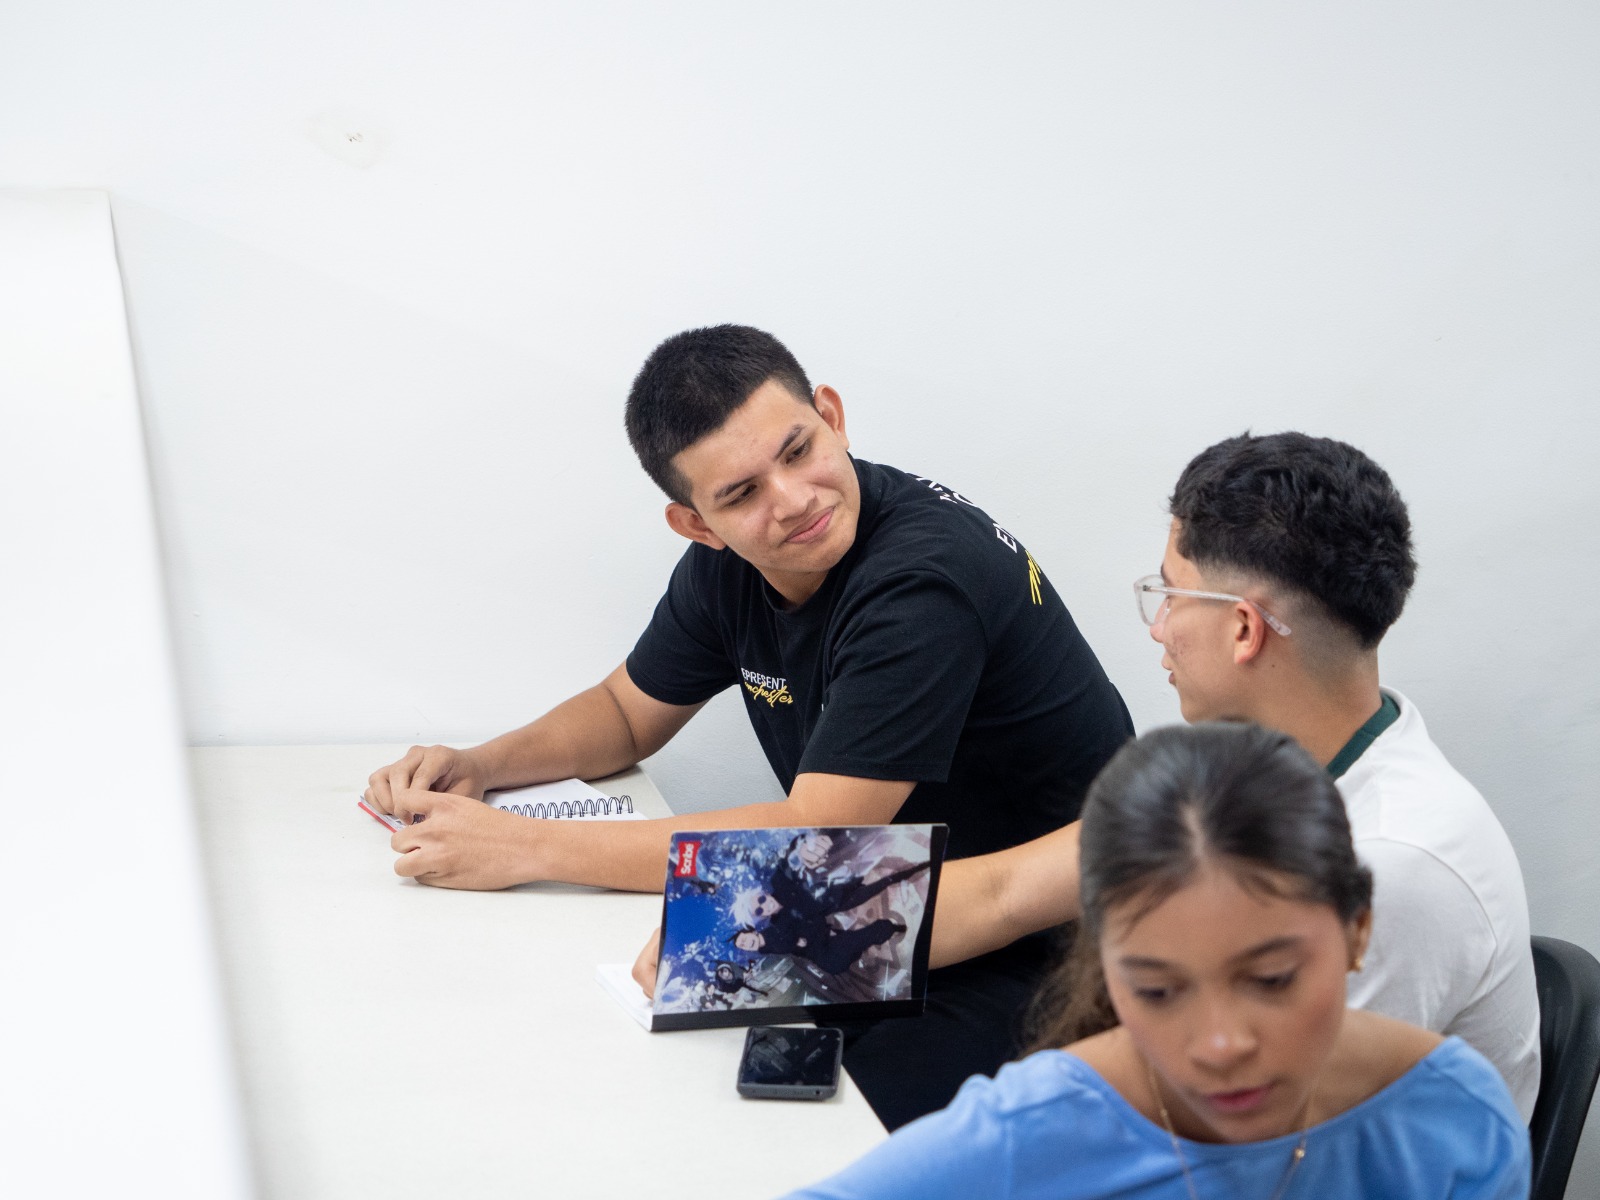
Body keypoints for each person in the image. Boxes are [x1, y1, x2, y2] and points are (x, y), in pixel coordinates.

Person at [362, 324, 1134, 1127]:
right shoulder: (729, 566)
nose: (792, 499)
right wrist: (485, 767)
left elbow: (812, 831)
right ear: (696, 523)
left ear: (831, 414)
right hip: (878, 911)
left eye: (798, 451)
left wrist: (526, 847)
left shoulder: (920, 584)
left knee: (795, 1134)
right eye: (740, 494)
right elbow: (626, 714)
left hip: (1033, 948)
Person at [889, 431, 1542, 1117]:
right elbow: (1005, 892)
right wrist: (775, 922)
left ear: (1242, 630)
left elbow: (1238, 1147)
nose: (1158, 628)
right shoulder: (1257, 775)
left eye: (1171, 594)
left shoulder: (1397, 867)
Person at [781, 724, 1531, 1200]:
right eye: (1158, 990)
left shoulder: (1455, 1118)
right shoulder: (1033, 1128)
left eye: (1271, 980)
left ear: (1359, 930)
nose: (1221, 1044)